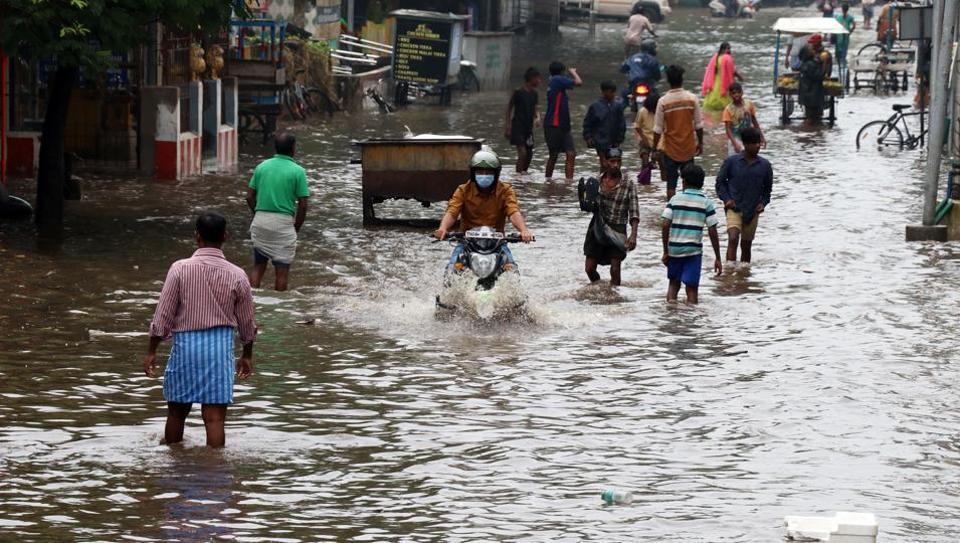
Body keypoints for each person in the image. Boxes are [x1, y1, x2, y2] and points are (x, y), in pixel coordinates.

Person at [144, 212, 257, 448]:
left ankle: (173, 464)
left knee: (176, 414)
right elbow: (247, 322)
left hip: (186, 347)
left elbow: (163, 314)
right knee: (214, 419)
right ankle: (215, 472)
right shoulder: (237, 275)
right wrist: (246, 355)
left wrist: (152, 350)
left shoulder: (179, 269)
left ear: (197, 236)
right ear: (225, 236)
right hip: (219, 350)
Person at [435, 149, 535, 267]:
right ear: (473, 174)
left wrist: (523, 230)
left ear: (496, 174)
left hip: (497, 243)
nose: (484, 175)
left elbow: (513, 211)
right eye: (480, 172)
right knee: (452, 270)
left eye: (488, 172)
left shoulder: (505, 190)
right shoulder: (463, 190)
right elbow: (452, 212)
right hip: (467, 242)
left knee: (512, 270)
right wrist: (443, 229)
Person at [246, 132, 309, 291]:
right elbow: (303, 205)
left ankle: (252, 304)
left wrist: (258, 214)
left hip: (260, 221)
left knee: (258, 267)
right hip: (283, 224)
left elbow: (249, 197)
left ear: (276, 148)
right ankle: (279, 310)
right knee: (281, 274)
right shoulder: (298, 171)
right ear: (293, 148)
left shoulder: (261, 167)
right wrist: (296, 228)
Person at [660, 164, 721, 304]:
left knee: (673, 284)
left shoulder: (674, 199)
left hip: (674, 250)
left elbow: (664, 224)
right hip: (693, 252)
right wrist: (717, 257)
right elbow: (712, 230)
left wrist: (666, 251)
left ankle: (670, 313)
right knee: (692, 289)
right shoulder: (706, 203)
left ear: (683, 181)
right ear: (701, 183)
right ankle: (691, 320)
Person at [715, 127, 772, 263]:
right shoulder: (731, 162)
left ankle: (743, 277)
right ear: (746, 144)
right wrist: (726, 199)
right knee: (733, 238)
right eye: (754, 143)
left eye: (759, 143)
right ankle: (730, 272)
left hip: (752, 211)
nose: (758, 146)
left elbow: (767, 190)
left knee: (746, 246)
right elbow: (720, 183)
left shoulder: (765, 165)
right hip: (734, 208)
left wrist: (762, 203)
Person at [583, 148, 639, 286]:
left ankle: (615, 297)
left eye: (618, 161)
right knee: (589, 268)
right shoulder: (597, 182)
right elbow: (589, 205)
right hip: (597, 226)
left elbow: (634, 211)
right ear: (605, 162)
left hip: (617, 228)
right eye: (612, 161)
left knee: (615, 270)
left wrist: (633, 235)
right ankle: (599, 289)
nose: (615, 165)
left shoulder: (628, 184)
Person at [653, 65, 703, 201]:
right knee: (689, 181)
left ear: (668, 81)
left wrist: (654, 148)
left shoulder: (663, 102)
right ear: (682, 79)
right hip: (688, 147)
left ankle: (672, 210)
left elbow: (657, 129)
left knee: (671, 184)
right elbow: (699, 125)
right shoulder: (692, 99)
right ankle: (687, 207)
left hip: (670, 149)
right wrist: (700, 143)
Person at [543, 61, 583, 181]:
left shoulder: (554, 81)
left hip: (563, 125)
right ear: (561, 72)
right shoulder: (557, 80)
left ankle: (568, 182)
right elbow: (579, 82)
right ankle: (548, 179)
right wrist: (573, 72)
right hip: (553, 124)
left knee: (571, 154)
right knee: (554, 155)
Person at [505, 67, 542, 174]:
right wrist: (508, 127)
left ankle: (523, 174)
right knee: (522, 153)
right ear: (531, 78)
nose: (539, 81)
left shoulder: (534, 93)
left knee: (529, 154)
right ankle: (518, 176)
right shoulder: (518, 92)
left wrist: (538, 118)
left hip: (528, 128)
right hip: (517, 127)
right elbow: (509, 108)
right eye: (538, 79)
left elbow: (535, 108)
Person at [583, 81, 627, 169]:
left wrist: (620, 138)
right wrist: (588, 137)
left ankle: (610, 180)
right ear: (604, 92)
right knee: (604, 163)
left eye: (614, 92)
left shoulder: (617, 106)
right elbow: (587, 123)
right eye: (611, 92)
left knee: (615, 164)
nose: (613, 94)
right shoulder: (595, 106)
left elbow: (622, 123)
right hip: (600, 140)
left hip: (614, 140)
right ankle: (603, 180)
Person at [721, 82, 763, 157]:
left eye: (738, 92)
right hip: (736, 138)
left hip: (749, 138)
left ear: (742, 92)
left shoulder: (749, 104)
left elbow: (754, 121)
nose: (736, 95)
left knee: (750, 159)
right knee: (735, 161)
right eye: (734, 93)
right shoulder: (728, 109)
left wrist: (761, 136)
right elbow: (728, 129)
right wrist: (735, 144)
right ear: (730, 95)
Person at [701, 42, 743, 111]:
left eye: (730, 48)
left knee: (714, 98)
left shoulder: (716, 57)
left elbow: (712, 70)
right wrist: (739, 77)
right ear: (723, 49)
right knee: (725, 99)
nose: (729, 50)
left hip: (716, 80)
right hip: (724, 81)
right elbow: (733, 71)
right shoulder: (727, 58)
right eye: (728, 48)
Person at [620, 39, 662, 106]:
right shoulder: (653, 60)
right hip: (648, 86)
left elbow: (622, 68)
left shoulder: (632, 57)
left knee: (624, 97)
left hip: (633, 86)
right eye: (655, 47)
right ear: (652, 49)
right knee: (657, 102)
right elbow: (658, 76)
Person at [798, 45, 825, 125]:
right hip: (812, 94)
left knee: (811, 116)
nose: (813, 51)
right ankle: (808, 133)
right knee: (811, 117)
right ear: (808, 54)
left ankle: (810, 133)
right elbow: (819, 76)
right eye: (811, 50)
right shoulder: (810, 65)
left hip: (808, 94)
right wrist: (824, 64)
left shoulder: (807, 63)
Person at [635, 93, 659, 168]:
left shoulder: (660, 112)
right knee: (645, 161)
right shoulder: (642, 111)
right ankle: (644, 178)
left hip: (658, 140)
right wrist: (644, 138)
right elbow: (637, 127)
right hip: (645, 140)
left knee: (663, 163)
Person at [835, 4, 855, 73]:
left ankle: (841, 62)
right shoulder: (849, 17)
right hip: (844, 35)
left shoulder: (839, 17)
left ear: (842, 9)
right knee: (844, 49)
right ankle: (842, 62)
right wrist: (850, 32)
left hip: (840, 35)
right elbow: (854, 25)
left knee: (840, 49)